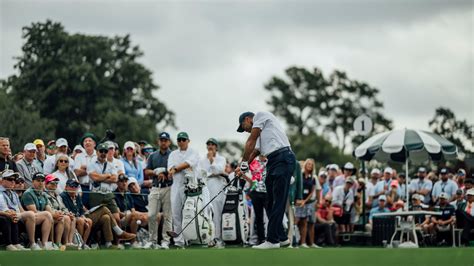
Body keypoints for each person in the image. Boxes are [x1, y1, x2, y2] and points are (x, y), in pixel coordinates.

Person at [235, 111, 296, 249]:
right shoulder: (261, 136)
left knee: (278, 202)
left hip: (283, 157)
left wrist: (244, 161)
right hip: (273, 162)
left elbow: (250, 140)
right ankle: (282, 238)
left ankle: (272, 241)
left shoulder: (261, 116)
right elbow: (255, 151)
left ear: (247, 119)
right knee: (269, 202)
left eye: (243, 126)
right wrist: (242, 167)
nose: (245, 130)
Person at [167, 132, 201, 248]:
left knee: (190, 212)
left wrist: (177, 168)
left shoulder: (194, 152)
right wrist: (178, 168)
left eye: (183, 139)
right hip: (176, 185)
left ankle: (192, 239)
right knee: (176, 213)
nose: (181, 141)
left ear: (188, 141)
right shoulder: (173, 154)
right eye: (179, 140)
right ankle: (179, 241)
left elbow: (188, 164)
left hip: (191, 186)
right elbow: (170, 169)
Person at [144, 131, 173, 249]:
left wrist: (165, 172)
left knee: (167, 216)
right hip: (155, 187)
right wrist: (157, 172)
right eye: (161, 140)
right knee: (151, 215)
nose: (163, 142)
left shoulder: (173, 155)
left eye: (165, 140)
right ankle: (152, 240)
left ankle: (165, 241)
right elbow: (147, 171)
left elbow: (174, 169)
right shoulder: (152, 155)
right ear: (158, 141)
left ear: (169, 142)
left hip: (169, 186)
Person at [199, 137, 227, 248]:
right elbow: (201, 174)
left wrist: (212, 162)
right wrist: (214, 172)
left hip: (217, 185)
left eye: (212, 144)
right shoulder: (202, 160)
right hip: (206, 186)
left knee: (217, 212)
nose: (210, 147)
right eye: (208, 144)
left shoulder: (221, 159)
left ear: (216, 147)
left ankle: (218, 238)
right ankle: (208, 238)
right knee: (206, 212)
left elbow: (219, 170)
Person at [0, 170, 36, 250]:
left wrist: (10, 213)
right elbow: (4, 208)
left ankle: (16, 243)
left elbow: (20, 210)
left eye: (14, 180)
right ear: (2, 180)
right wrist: (8, 213)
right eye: (10, 179)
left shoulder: (13, 193)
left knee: (13, 216)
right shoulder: (1, 192)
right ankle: (9, 244)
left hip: (10, 214)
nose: (13, 182)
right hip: (3, 214)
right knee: (9, 217)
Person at [20, 173, 55, 250]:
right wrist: (48, 213)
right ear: (33, 182)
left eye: (42, 181)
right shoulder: (28, 193)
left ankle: (48, 243)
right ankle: (35, 243)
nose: (40, 183)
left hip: (39, 217)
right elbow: (33, 211)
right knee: (47, 215)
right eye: (38, 180)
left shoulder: (43, 194)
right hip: (27, 218)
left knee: (58, 217)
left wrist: (57, 214)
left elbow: (49, 209)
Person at [87, 142, 120, 223]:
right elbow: (94, 177)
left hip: (108, 193)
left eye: (105, 151)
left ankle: (119, 235)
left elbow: (115, 179)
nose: (103, 153)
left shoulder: (111, 165)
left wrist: (100, 177)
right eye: (101, 151)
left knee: (117, 217)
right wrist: (108, 175)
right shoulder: (91, 164)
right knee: (99, 219)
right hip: (96, 193)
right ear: (97, 152)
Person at [241, 155, 268, 246]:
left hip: (267, 192)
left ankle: (272, 238)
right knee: (258, 217)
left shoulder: (270, 161)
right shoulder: (252, 161)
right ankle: (261, 240)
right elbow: (242, 168)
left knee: (270, 216)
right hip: (255, 192)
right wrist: (244, 176)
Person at [44, 174, 76, 247]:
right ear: (46, 184)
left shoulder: (58, 196)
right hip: (52, 215)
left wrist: (68, 213)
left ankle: (69, 242)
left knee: (72, 218)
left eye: (56, 183)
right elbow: (49, 208)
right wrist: (63, 213)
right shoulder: (45, 194)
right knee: (66, 218)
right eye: (52, 183)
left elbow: (63, 207)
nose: (54, 185)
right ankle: (60, 243)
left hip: (60, 214)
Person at [60, 179, 92, 248]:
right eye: (71, 186)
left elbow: (81, 210)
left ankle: (84, 243)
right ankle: (78, 243)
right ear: (66, 187)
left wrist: (83, 217)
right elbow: (67, 210)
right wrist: (80, 217)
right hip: (70, 216)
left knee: (89, 221)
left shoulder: (77, 196)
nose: (74, 188)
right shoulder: (63, 196)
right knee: (81, 220)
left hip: (78, 216)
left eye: (75, 186)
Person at [295, 159, 319, 248]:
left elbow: (312, 191)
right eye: (308, 164)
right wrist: (299, 200)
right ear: (305, 165)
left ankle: (303, 242)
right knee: (296, 221)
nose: (309, 166)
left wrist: (304, 201)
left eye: (311, 164)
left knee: (304, 222)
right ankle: (293, 241)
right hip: (298, 201)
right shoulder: (300, 175)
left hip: (306, 202)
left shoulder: (312, 178)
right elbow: (297, 187)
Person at [114, 175, 143, 249]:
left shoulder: (128, 195)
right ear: (117, 183)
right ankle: (132, 241)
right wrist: (128, 214)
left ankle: (133, 242)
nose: (124, 183)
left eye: (125, 181)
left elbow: (133, 209)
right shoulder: (114, 194)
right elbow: (118, 213)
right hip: (121, 218)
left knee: (135, 216)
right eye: (121, 181)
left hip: (130, 216)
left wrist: (131, 214)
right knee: (134, 215)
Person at [74, 132, 98, 208]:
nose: (87, 142)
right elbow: (77, 172)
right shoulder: (78, 156)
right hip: (83, 187)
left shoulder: (99, 156)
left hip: (95, 188)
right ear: (83, 145)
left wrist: (85, 168)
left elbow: (100, 172)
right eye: (85, 141)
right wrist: (92, 169)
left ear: (94, 144)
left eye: (89, 141)